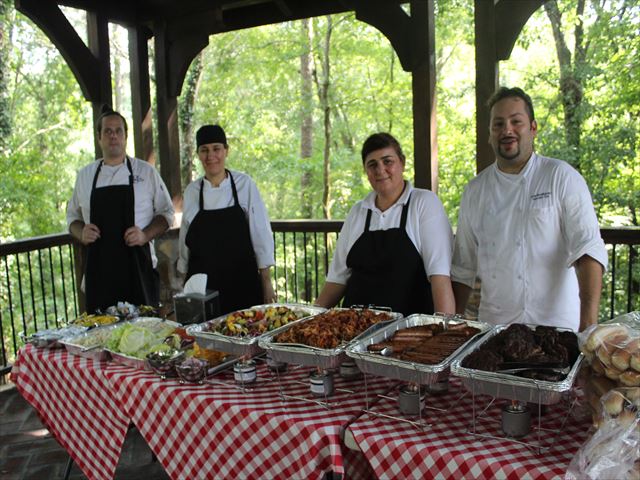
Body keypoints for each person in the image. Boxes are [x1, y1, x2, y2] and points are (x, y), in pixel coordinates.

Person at [451, 87, 607, 332]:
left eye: (516, 122)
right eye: (498, 124)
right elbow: (463, 268)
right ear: (490, 134)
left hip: (557, 329)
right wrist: (453, 322)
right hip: (494, 331)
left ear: (533, 128)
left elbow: (587, 249)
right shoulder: (475, 191)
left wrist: (588, 326)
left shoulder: (560, 176)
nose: (507, 130)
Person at [315, 132, 456, 316]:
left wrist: (445, 332)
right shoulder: (358, 212)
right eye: (372, 165)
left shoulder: (424, 203)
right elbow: (337, 280)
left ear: (402, 163)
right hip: (354, 330)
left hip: (406, 332)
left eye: (387, 161)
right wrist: (307, 319)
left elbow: (440, 279)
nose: (380, 170)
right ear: (366, 172)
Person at [67, 106, 174, 313]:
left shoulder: (146, 172)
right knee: (99, 337)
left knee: (144, 335)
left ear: (126, 136)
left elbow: (166, 213)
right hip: (99, 275)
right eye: (107, 131)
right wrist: (81, 232)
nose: (113, 136)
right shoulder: (86, 176)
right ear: (99, 137)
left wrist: (145, 235)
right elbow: (72, 218)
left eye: (118, 131)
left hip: (139, 271)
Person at [177, 124, 276, 315]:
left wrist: (267, 282)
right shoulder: (192, 191)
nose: (210, 155)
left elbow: (260, 233)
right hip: (203, 286)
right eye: (204, 150)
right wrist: (182, 281)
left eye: (216, 149)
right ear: (198, 154)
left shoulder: (244, 184)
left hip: (242, 281)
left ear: (226, 151)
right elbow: (184, 240)